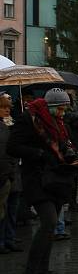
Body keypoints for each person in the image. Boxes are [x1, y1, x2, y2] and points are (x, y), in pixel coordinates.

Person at [8, 88, 77, 274]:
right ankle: (30, 273)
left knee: (51, 227)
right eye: (61, 108)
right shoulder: (28, 119)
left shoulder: (58, 122)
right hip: (36, 178)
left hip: (55, 177)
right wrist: (39, 153)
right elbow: (12, 147)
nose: (63, 113)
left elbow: (61, 143)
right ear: (51, 106)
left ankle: (43, 269)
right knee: (49, 222)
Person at [0, 95, 21, 254]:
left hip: (13, 171)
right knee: (2, 209)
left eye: (8, 107)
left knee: (12, 209)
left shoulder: (12, 124)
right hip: (4, 173)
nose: (7, 110)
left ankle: (10, 238)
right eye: (3, 107)